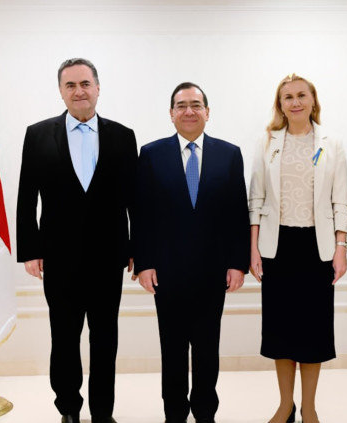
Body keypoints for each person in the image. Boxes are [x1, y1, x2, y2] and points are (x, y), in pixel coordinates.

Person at [16, 58, 137, 423]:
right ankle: (68, 409)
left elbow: (135, 199)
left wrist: (137, 248)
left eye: (85, 83)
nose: (79, 91)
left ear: (98, 88)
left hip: (108, 257)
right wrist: (30, 250)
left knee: (105, 340)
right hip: (58, 258)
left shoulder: (123, 136)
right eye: (70, 85)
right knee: (64, 339)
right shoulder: (38, 134)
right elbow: (26, 197)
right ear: (61, 91)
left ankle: (102, 413)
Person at [133, 82, 250, 423]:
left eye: (196, 105)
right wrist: (144, 263)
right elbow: (141, 213)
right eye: (181, 105)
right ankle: (174, 413)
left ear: (207, 112)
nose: (189, 111)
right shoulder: (151, 154)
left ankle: (205, 412)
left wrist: (237, 263)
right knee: (171, 349)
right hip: (166, 272)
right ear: (171, 114)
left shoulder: (229, 154)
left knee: (207, 348)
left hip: (213, 271)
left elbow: (237, 213)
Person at [248, 74, 347, 423]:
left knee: (312, 333)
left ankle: (309, 407)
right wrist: (253, 248)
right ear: (280, 105)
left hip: (317, 249)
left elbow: (341, 201)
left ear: (313, 100)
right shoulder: (268, 142)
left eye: (301, 95)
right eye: (288, 97)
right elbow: (256, 199)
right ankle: (285, 405)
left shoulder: (332, 144)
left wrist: (341, 248)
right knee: (280, 333)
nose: (295, 102)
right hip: (277, 248)